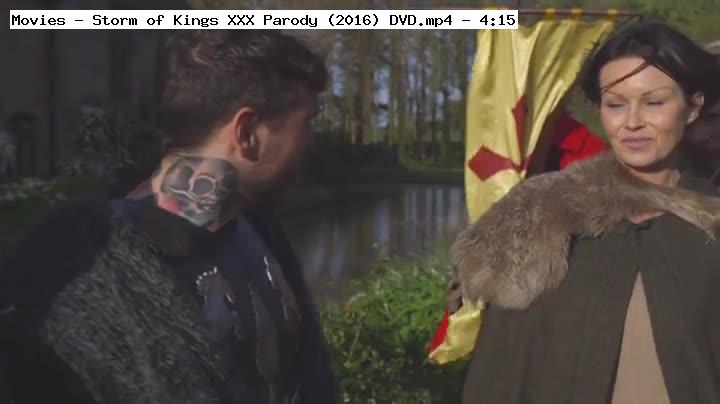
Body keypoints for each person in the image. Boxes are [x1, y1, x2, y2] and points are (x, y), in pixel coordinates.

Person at [0, 30, 337, 404]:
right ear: (246, 133)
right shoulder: (74, 266)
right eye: (306, 123)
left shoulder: (262, 230)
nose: (310, 143)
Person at [452, 21, 720, 403]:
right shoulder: (540, 214)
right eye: (616, 104)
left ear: (692, 107)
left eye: (654, 102)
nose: (632, 122)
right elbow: (504, 367)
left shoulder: (711, 223)